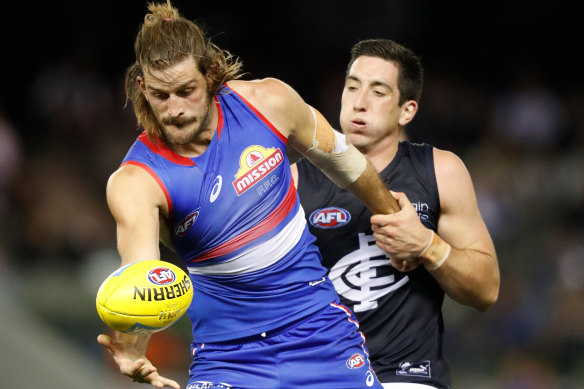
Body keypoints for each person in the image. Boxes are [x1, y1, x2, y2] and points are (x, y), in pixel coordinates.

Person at [96, 2, 402, 389]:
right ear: (142, 87)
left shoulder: (268, 103)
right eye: (160, 95)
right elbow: (144, 277)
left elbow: (343, 160)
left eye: (185, 91)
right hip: (226, 359)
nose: (173, 109)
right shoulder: (136, 181)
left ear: (209, 75)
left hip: (319, 334)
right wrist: (135, 345)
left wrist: (393, 214)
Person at [292, 39, 500, 388]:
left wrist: (427, 245)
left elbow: (486, 291)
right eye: (352, 87)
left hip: (409, 375)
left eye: (378, 92)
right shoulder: (295, 180)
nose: (359, 103)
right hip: (320, 374)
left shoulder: (439, 170)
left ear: (407, 111)